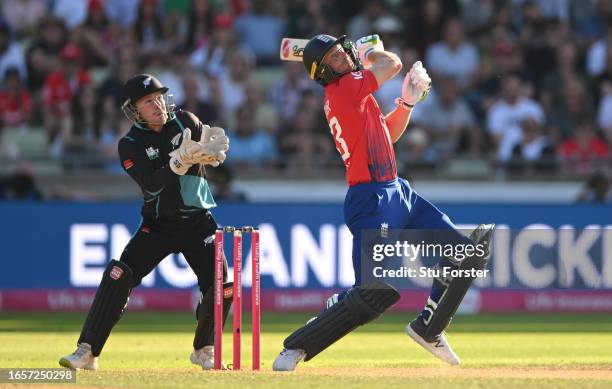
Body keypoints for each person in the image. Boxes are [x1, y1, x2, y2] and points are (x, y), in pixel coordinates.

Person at [272, 34, 494, 371]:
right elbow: (392, 63)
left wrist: (406, 103)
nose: (343, 58)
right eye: (334, 57)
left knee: (467, 253)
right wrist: (368, 51)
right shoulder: (343, 89)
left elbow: (386, 135)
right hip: (371, 199)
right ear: (323, 73)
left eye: (342, 52)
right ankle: (298, 346)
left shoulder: (353, 90)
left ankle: (429, 328)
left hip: (396, 190)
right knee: (370, 297)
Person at [59, 74, 232, 371]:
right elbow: (151, 184)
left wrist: (214, 148)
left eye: (159, 98)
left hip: (197, 222)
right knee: (118, 275)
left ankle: (205, 348)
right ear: (134, 109)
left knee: (222, 284)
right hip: (158, 225)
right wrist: (178, 162)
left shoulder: (185, 121)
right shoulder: (130, 144)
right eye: (149, 101)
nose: (158, 105)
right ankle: (87, 351)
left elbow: (212, 142)